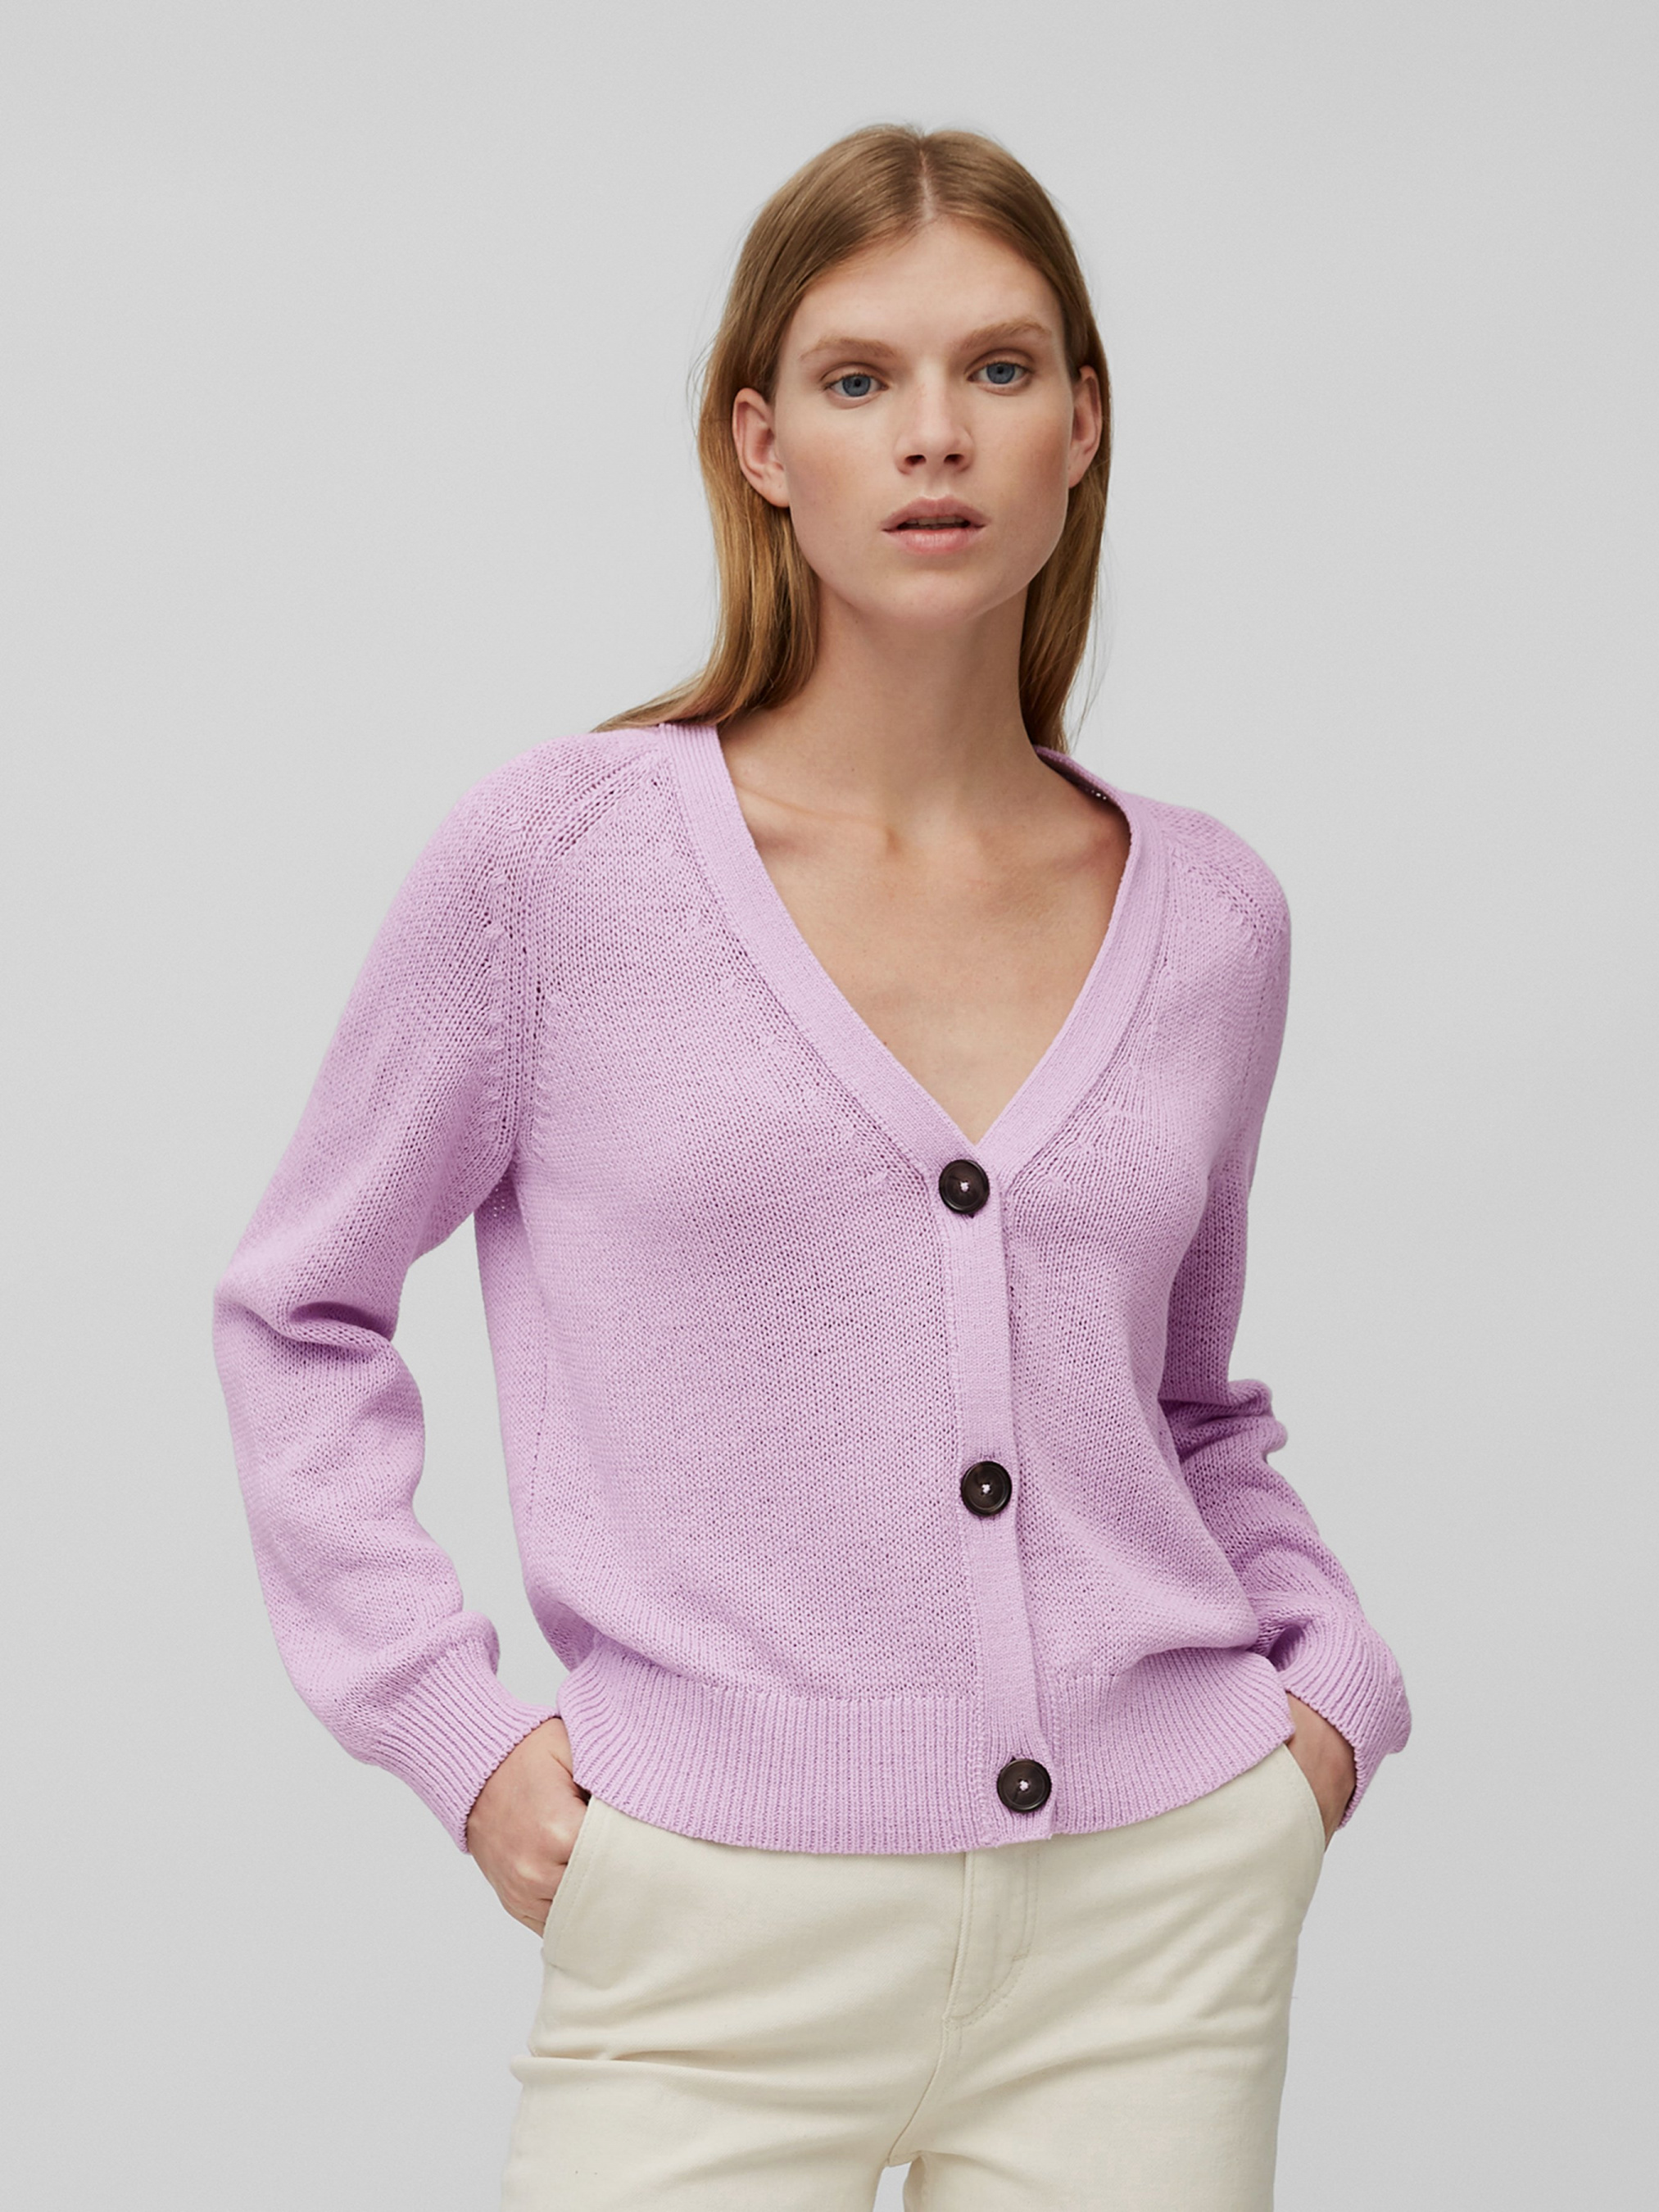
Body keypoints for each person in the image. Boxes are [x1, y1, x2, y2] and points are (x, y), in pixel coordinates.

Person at [212, 122, 1411, 2211]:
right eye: (859, 379)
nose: (932, 435)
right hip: (710, 1936)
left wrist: (1327, 1703)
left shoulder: (1210, 916)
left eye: (997, 369)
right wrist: (451, 1731)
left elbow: (1181, 1403)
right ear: (759, 443)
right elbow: (294, 1309)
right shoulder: (558, 867)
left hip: (1154, 1924)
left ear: (1080, 426)